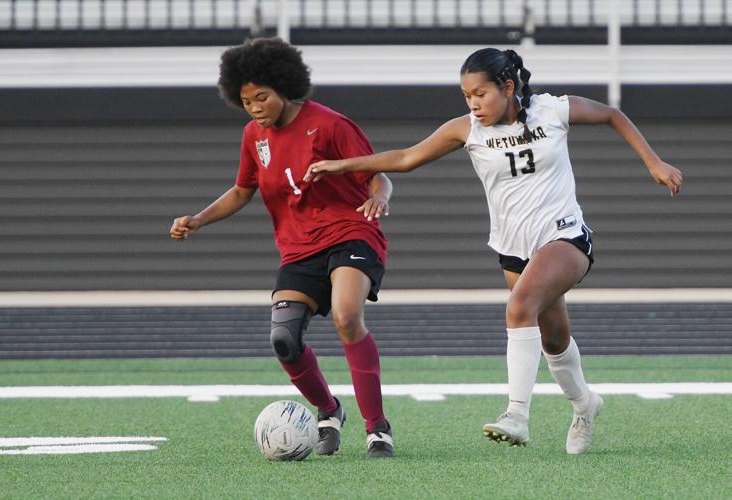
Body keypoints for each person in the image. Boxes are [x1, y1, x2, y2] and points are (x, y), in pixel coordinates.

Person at [304, 47, 683, 455]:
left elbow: (611, 114)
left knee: (520, 308)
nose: (473, 103)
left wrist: (654, 163)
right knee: (553, 338)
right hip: (513, 249)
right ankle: (584, 405)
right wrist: (341, 166)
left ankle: (516, 415)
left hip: (565, 237)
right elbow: (407, 157)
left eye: (480, 93)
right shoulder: (466, 129)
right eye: (466, 95)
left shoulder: (552, 110)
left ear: (507, 87)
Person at [170, 37, 395, 458]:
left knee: (347, 317)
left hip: (351, 232)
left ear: (284, 87)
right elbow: (241, 191)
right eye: (246, 100)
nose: (255, 107)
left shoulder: (329, 124)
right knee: (283, 340)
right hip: (298, 250)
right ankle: (328, 412)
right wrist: (198, 219)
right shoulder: (253, 136)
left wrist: (381, 195)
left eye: (262, 97)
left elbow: (378, 172)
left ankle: (377, 428)